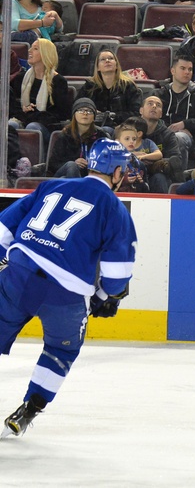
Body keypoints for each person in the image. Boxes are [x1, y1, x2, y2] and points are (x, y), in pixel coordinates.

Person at [0, 139, 135, 438]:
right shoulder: (115, 209)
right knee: (62, 351)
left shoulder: (51, 185)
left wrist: (4, 260)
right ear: (116, 172)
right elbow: (117, 274)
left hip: (18, 274)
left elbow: (3, 229)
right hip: (66, 293)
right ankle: (30, 409)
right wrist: (105, 298)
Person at [154, 53, 195, 168]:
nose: (187, 72)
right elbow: (151, 117)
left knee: (179, 138)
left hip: (188, 137)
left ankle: (177, 178)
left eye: (190, 69)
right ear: (173, 71)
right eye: (183, 68)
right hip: (162, 133)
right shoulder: (161, 93)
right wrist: (170, 129)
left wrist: (185, 124)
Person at [8, 38, 69, 147]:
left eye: (35, 49)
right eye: (31, 47)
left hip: (46, 126)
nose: (30, 51)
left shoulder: (58, 81)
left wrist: (33, 113)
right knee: (10, 125)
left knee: (32, 127)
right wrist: (24, 110)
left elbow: (62, 114)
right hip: (23, 119)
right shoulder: (21, 78)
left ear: (46, 54)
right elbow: (13, 106)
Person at [80, 48, 143, 129]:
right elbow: (78, 107)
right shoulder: (89, 86)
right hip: (93, 127)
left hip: (122, 128)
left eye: (110, 58)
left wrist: (112, 116)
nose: (107, 61)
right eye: (103, 59)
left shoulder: (128, 86)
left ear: (116, 65)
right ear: (98, 67)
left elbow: (135, 113)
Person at [46, 97, 103, 177]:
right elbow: (53, 165)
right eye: (81, 110)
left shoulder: (101, 136)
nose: (85, 113)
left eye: (89, 111)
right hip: (65, 173)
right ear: (74, 114)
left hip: (91, 175)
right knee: (71, 166)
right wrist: (75, 163)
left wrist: (92, 163)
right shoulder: (64, 136)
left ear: (94, 116)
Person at [137, 95, 182, 191]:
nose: (154, 106)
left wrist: (150, 162)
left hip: (157, 174)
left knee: (160, 178)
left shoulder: (168, 135)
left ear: (161, 114)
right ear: (141, 110)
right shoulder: (130, 130)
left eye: (158, 105)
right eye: (150, 103)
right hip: (133, 173)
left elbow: (175, 160)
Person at [114, 119, 149, 193]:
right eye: (127, 139)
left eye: (134, 139)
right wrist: (124, 181)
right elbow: (107, 187)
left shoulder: (139, 164)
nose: (131, 141)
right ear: (117, 142)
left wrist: (140, 182)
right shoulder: (111, 163)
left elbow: (147, 190)